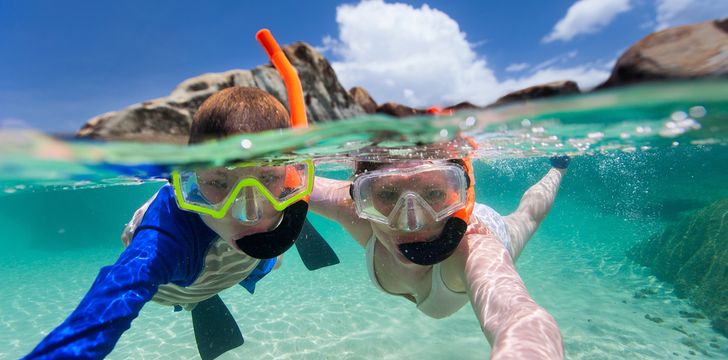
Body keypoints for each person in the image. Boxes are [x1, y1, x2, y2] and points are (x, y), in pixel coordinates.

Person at [24, 30, 333, 360]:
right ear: (189, 179)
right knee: (195, 287)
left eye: (268, 177)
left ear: (288, 173)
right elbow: (101, 314)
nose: (249, 213)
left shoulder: (283, 191)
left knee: (268, 257)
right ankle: (198, 300)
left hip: (239, 260)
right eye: (219, 182)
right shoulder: (164, 242)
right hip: (179, 283)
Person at [310, 142, 569, 359]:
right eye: (388, 195)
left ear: (461, 193)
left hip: (482, 226)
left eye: (433, 192)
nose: (411, 223)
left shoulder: (475, 249)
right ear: (362, 198)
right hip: (444, 212)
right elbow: (292, 180)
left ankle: (558, 169)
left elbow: (517, 315)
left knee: (528, 216)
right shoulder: (356, 211)